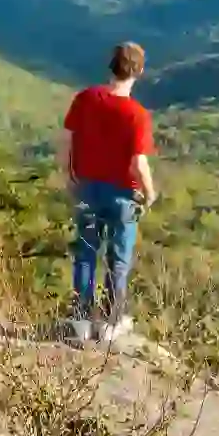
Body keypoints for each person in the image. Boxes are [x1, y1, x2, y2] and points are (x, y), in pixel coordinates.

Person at [57, 41, 158, 342]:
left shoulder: (86, 99)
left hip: (87, 188)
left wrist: (68, 175)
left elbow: (65, 140)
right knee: (119, 259)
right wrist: (150, 193)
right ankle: (111, 322)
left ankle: (81, 318)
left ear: (111, 66)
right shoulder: (137, 115)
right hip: (122, 197)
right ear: (139, 72)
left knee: (85, 252)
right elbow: (138, 162)